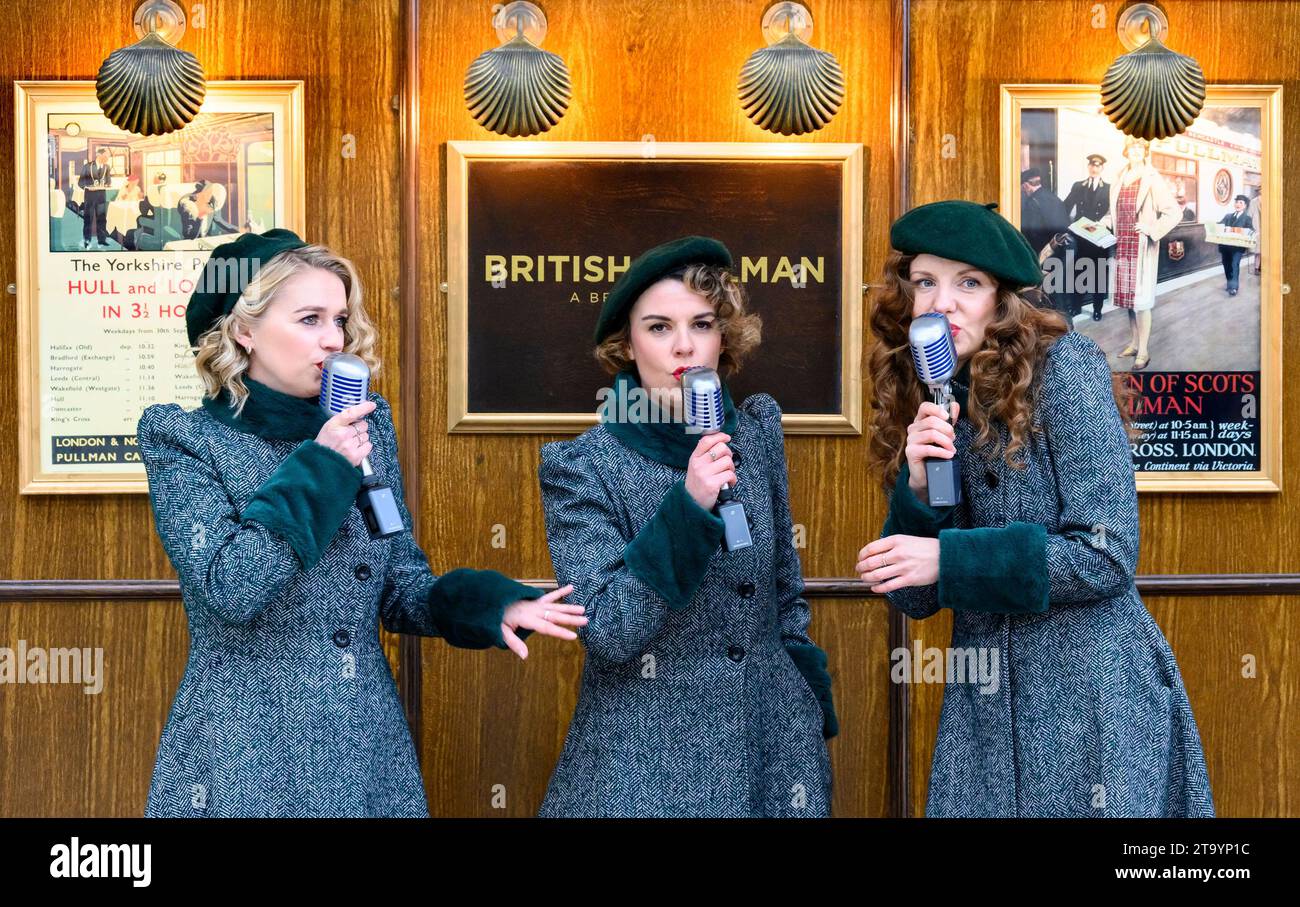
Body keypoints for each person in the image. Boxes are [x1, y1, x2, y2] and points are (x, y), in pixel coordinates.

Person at [137, 229, 586, 817]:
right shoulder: (185, 439)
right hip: (240, 760)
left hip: (366, 758)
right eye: (309, 319)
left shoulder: (367, 428)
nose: (334, 340)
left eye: (340, 320)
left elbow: (400, 587)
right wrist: (324, 464)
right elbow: (233, 588)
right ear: (244, 330)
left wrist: (488, 605)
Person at [859, 200, 1213, 818]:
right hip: (985, 709)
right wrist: (916, 492)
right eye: (925, 282)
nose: (942, 302)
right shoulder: (935, 391)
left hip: (1089, 703)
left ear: (1002, 300)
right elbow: (914, 597)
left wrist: (948, 555)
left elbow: (1107, 554)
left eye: (967, 282)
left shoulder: (1066, 367)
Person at [536, 236, 836, 817]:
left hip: (769, 754)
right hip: (645, 764)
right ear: (627, 344)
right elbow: (608, 630)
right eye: (658, 327)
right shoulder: (583, 466)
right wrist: (689, 506)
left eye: (701, 324)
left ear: (724, 336)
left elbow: (784, 593)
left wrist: (804, 707)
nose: (684, 346)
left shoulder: (755, 433)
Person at [1099, 137, 1180, 371]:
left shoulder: (1152, 178)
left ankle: (1143, 350)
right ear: (1126, 150)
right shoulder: (1119, 178)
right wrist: (1101, 224)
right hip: (1121, 245)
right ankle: (1134, 343)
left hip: (1140, 247)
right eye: (1131, 146)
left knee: (1142, 302)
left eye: (1139, 147)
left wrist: (1152, 229)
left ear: (1144, 151)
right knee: (1128, 300)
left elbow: (1173, 212)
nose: (1135, 150)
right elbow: (1112, 213)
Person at [1061, 153, 1113, 321]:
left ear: (1102, 168)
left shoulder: (1109, 188)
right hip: (1081, 238)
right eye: (1091, 165)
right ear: (1088, 167)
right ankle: (1076, 306)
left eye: (1097, 166)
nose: (1094, 168)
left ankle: (1097, 309)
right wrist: (1066, 227)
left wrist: (1105, 224)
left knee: (1098, 274)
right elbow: (1065, 206)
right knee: (1078, 272)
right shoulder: (1078, 186)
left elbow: (1113, 213)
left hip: (1098, 239)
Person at [1217, 194, 1254, 296]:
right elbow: (1219, 225)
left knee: (1234, 264)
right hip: (1225, 246)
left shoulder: (1247, 219)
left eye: (1240, 203)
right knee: (1226, 264)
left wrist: (1236, 231)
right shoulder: (1228, 216)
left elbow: (1251, 231)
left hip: (1237, 247)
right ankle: (1230, 284)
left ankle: (1233, 287)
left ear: (1245, 205)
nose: (1238, 204)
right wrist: (1214, 226)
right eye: (1236, 202)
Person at [77, 147, 113, 250]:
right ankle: (87, 241)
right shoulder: (87, 166)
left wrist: (107, 185)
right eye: (106, 156)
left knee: (102, 219)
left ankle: (101, 240)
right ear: (99, 155)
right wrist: (88, 187)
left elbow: (108, 181)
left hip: (101, 197)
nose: (107, 158)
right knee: (88, 220)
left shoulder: (107, 167)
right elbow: (80, 183)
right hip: (90, 197)